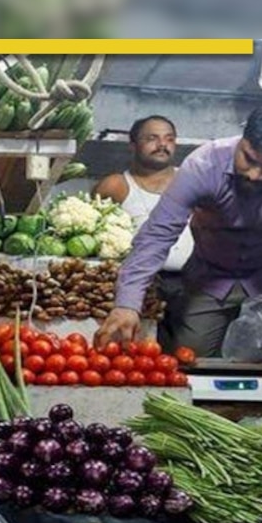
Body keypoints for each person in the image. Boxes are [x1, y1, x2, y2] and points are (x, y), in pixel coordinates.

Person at [94, 96, 262, 360]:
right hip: (209, 279)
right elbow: (157, 235)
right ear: (243, 136)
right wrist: (127, 304)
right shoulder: (204, 165)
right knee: (192, 358)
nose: (253, 174)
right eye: (248, 158)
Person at [91, 115, 196, 351]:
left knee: (185, 351)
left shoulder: (191, 181)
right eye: (152, 138)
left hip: (190, 284)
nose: (162, 145)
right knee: (138, 352)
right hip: (139, 286)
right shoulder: (115, 185)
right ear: (133, 145)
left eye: (169, 139)